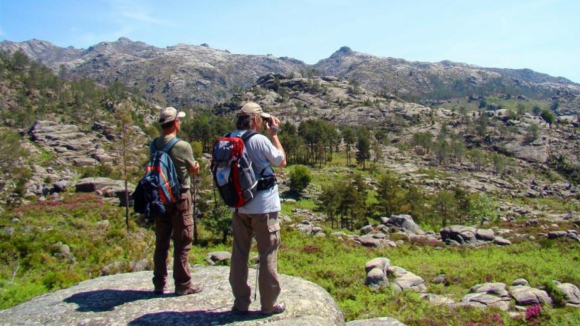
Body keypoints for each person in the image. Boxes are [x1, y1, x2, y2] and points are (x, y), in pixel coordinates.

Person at [229, 102, 287, 315]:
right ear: (254, 120)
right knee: (268, 255)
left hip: (239, 207)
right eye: (261, 119)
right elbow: (281, 161)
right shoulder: (259, 140)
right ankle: (268, 304)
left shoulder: (230, 138)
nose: (263, 122)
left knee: (239, 254)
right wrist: (274, 135)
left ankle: (240, 302)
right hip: (263, 208)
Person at [152, 106, 203, 296]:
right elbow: (193, 168)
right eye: (179, 120)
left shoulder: (154, 144)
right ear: (175, 123)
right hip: (180, 197)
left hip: (160, 197)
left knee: (162, 240)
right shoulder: (182, 146)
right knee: (182, 240)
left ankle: (159, 283)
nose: (180, 123)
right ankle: (182, 284)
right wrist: (195, 167)